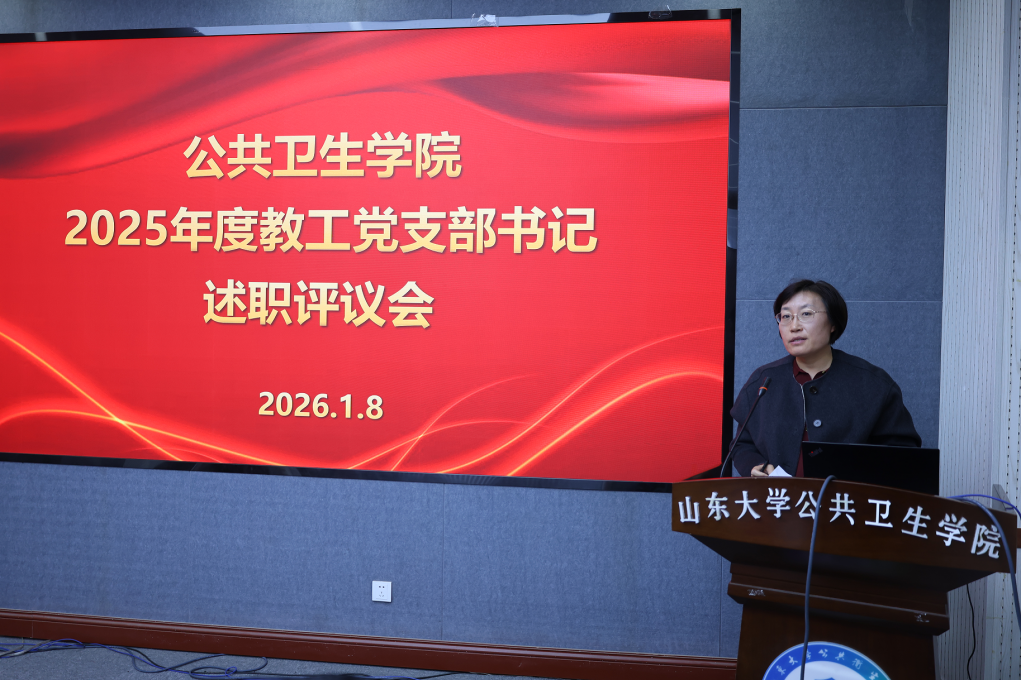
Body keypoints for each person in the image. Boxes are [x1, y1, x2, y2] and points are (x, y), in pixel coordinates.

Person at [730, 280, 920, 478]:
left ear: (833, 323)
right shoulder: (763, 381)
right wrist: (755, 465)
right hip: (779, 496)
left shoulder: (873, 384)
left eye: (806, 314)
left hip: (847, 497)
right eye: (785, 316)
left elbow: (903, 454)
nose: (794, 326)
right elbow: (742, 444)